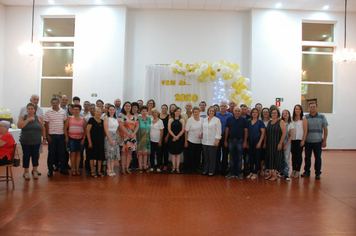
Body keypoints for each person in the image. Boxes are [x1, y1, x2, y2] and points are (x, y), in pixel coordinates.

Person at [17, 103, 46, 180]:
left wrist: (44, 138)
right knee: (26, 156)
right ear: (26, 109)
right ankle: (26, 171)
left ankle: (35, 170)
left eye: (31, 109)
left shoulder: (39, 118)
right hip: (26, 141)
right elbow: (19, 126)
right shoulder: (23, 117)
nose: (30, 110)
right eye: (29, 108)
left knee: (35, 155)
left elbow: (42, 128)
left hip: (36, 140)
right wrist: (28, 120)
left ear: (34, 110)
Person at [302, 102, 328, 180]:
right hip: (308, 141)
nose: (312, 108)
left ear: (317, 107)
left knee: (318, 158)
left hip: (318, 141)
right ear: (309, 108)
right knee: (307, 157)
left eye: (314, 107)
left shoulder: (322, 117)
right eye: (311, 107)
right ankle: (306, 171)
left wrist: (324, 140)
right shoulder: (305, 117)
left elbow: (325, 129)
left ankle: (317, 173)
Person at [44, 97, 68, 176]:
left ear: (58, 103)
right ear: (51, 104)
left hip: (61, 135)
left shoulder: (63, 112)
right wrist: (47, 135)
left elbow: (65, 124)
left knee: (62, 153)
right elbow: (46, 125)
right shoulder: (48, 112)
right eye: (53, 103)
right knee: (51, 153)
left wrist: (65, 135)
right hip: (52, 135)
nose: (55, 104)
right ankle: (50, 170)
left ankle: (62, 169)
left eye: (56, 103)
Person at [224, 107, 248, 179]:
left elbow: (246, 131)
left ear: (240, 112)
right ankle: (231, 172)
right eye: (236, 111)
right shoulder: (229, 119)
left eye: (238, 111)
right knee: (231, 157)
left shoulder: (244, 120)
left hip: (240, 141)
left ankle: (238, 173)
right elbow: (227, 130)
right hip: (231, 140)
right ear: (233, 112)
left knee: (239, 157)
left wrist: (245, 141)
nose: (237, 112)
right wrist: (225, 140)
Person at [265, 108, 286, 181]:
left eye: (275, 113)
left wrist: (280, 143)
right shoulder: (269, 122)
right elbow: (266, 133)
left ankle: (275, 174)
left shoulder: (281, 122)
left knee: (276, 158)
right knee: (270, 158)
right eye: (272, 113)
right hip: (269, 143)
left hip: (277, 143)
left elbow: (284, 133)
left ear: (278, 114)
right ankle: (270, 173)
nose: (274, 114)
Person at [64, 104, 86, 176]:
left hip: (80, 138)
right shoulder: (69, 118)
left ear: (80, 111)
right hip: (71, 138)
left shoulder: (83, 119)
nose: (76, 111)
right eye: (74, 110)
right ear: (72, 110)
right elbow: (65, 128)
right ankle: (73, 168)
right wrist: (66, 137)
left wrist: (84, 138)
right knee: (73, 153)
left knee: (79, 154)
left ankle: (77, 168)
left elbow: (85, 130)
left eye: (77, 110)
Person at [119, 102, 139, 174]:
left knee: (130, 153)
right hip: (124, 137)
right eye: (126, 106)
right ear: (124, 107)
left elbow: (137, 126)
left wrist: (133, 134)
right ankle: (123, 168)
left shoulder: (134, 116)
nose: (128, 107)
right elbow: (121, 126)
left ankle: (127, 168)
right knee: (123, 153)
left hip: (132, 136)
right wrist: (128, 134)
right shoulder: (121, 115)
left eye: (129, 106)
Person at [202, 106, 221, 177]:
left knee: (212, 157)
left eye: (213, 111)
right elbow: (203, 128)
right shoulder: (204, 119)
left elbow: (218, 131)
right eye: (210, 111)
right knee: (206, 157)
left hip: (213, 141)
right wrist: (201, 133)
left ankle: (211, 171)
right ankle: (206, 170)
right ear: (208, 112)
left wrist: (217, 140)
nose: (211, 112)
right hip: (204, 141)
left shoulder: (217, 120)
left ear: (214, 112)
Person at [246, 108, 265, 180]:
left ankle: (256, 172)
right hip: (250, 142)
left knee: (257, 157)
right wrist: (247, 142)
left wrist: (260, 142)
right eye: (253, 112)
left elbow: (263, 133)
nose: (254, 114)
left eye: (256, 112)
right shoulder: (249, 122)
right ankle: (251, 171)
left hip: (257, 141)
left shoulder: (260, 122)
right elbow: (247, 132)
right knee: (251, 157)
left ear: (258, 113)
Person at [86, 107, 105, 178]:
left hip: (100, 141)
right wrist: (89, 141)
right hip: (92, 141)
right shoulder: (91, 120)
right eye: (97, 112)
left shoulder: (102, 121)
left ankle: (99, 170)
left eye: (100, 112)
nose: (98, 113)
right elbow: (87, 131)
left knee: (100, 156)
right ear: (94, 112)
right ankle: (92, 171)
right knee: (91, 156)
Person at [215, 101, 233, 176]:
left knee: (225, 154)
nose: (223, 107)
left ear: (227, 107)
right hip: (217, 135)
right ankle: (216, 169)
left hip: (226, 135)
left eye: (224, 106)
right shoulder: (216, 115)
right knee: (217, 153)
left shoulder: (230, 115)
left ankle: (224, 170)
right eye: (222, 106)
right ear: (220, 107)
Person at [291, 104, 308, 178]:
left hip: (299, 139)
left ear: (301, 110)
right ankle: (294, 169)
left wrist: (303, 140)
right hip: (292, 139)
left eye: (299, 109)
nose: (297, 110)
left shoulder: (303, 118)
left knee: (298, 155)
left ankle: (298, 170)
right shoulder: (291, 118)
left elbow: (305, 130)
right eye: (296, 109)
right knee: (293, 155)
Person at [184, 106, 202, 173]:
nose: (196, 113)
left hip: (199, 141)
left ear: (199, 112)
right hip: (191, 140)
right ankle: (189, 167)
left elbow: (203, 129)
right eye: (195, 112)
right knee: (190, 155)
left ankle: (196, 167)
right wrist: (186, 141)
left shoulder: (202, 120)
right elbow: (186, 131)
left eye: (197, 112)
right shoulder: (190, 120)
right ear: (193, 113)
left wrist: (201, 134)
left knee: (197, 156)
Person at [104, 104, 120, 177]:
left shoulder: (115, 119)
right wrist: (110, 139)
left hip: (115, 137)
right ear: (108, 110)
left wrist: (117, 138)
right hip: (109, 137)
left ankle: (112, 169)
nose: (112, 111)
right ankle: (109, 170)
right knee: (109, 155)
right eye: (110, 110)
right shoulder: (106, 118)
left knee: (113, 155)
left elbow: (117, 129)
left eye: (113, 110)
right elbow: (106, 129)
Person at [168, 107, 185, 173]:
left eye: (179, 111)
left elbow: (183, 130)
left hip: (179, 138)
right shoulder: (171, 119)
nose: (178, 112)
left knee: (178, 154)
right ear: (174, 112)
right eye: (176, 111)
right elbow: (169, 129)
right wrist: (174, 136)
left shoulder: (182, 120)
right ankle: (173, 167)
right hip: (172, 138)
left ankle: (177, 167)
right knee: (173, 153)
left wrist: (177, 136)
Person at [280, 109, 294, 180]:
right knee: (281, 158)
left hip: (287, 143)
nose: (285, 114)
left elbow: (291, 135)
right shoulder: (280, 122)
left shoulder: (290, 124)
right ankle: (281, 172)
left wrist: (286, 145)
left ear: (289, 115)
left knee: (286, 158)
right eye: (283, 113)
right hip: (280, 142)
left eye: (286, 113)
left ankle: (286, 174)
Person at [137, 106, 151, 173]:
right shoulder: (138, 119)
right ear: (140, 111)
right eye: (143, 111)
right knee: (140, 154)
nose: (144, 112)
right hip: (140, 138)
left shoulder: (149, 119)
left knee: (145, 154)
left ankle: (145, 167)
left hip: (147, 138)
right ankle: (140, 167)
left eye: (145, 111)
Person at [149, 108, 164, 172]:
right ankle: (152, 166)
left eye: (156, 112)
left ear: (158, 114)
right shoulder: (150, 120)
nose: (155, 113)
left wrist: (160, 140)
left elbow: (162, 131)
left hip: (158, 140)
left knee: (158, 154)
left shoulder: (160, 121)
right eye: (153, 112)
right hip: (151, 140)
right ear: (152, 113)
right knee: (151, 154)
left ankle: (158, 166)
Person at [260, 107, 270, 176]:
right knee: (262, 155)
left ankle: (267, 169)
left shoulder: (271, 121)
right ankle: (261, 169)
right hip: (262, 140)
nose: (265, 113)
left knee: (268, 155)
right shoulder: (260, 121)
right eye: (264, 112)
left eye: (266, 112)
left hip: (270, 140)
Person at [160, 104, 170, 171]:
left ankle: (165, 164)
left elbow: (169, 128)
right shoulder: (158, 115)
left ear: (167, 109)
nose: (164, 109)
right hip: (159, 135)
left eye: (165, 108)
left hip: (166, 135)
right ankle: (160, 163)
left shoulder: (169, 116)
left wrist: (167, 136)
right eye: (163, 108)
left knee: (165, 151)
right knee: (159, 151)